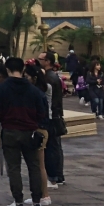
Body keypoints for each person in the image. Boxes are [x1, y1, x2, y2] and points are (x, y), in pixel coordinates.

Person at [0, 57, 49, 206]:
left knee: (14, 168)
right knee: (34, 167)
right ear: (23, 70)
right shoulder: (33, 90)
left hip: (10, 131)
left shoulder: (1, 89)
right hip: (30, 132)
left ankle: (18, 202)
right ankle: (37, 203)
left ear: (8, 70)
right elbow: (42, 112)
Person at [24, 64, 54, 206]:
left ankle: (44, 195)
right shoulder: (45, 88)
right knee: (39, 164)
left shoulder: (36, 92)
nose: (25, 79)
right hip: (43, 129)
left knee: (39, 165)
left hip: (38, 130)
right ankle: (43, 195)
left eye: (27, 76)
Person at [38, 51, 66, 186]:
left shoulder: (49, 78)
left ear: (47, 61)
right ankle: (59, 175)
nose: (39, 61)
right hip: (56, 114)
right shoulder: (53, 76)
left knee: (51, 147)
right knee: (56, 147)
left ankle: (54, 176)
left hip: (52, 116)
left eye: (41, 59)